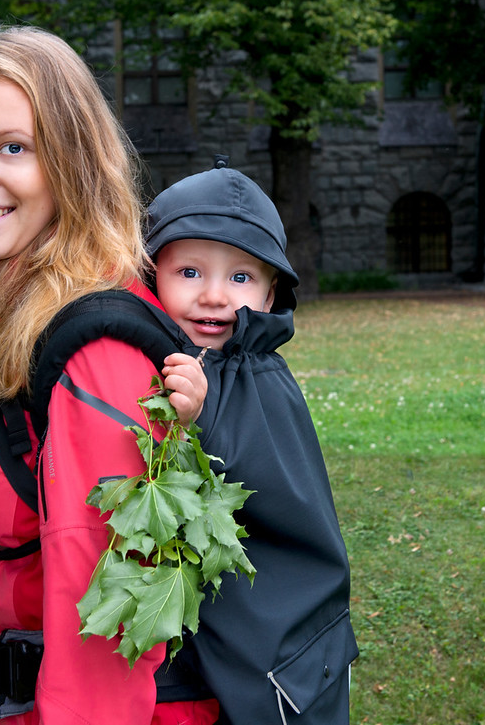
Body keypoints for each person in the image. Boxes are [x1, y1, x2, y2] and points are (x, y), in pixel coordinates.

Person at [0, 25, 217, 725]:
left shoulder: (89, 349)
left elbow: (106, 619)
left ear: (71, 163)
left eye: (13, 147)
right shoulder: (12, 307)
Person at [143, 159, 358, 725]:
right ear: (152, 271)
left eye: (241, 278)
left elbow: (246, 483)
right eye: (190, 271)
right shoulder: (164, 353)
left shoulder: (254, 375)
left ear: (268, 295)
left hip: (277, 642)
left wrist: (195, 419)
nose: (215, 295)